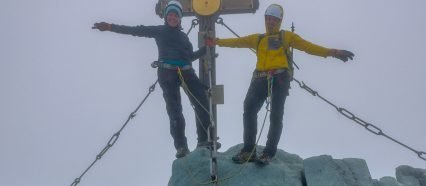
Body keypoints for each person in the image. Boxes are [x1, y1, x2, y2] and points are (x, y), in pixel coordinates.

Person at [212, 4, 354, 164]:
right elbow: (237, 42)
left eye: (274, 19)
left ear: (279, 21)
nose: (270, 22)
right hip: (260, 77)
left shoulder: (286, 36)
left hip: (280, 77)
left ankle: (268, 153)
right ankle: (248, 151)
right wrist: (216, 42)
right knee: (249, 108)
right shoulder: (258, 38)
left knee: (275, 115)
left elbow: (308, 47)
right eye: (268, 19)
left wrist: (332, 52)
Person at [93, 0, 214, 159]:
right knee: (175, 111)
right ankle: (181, 147)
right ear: (165, 17)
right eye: (169, 15)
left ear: (179, 18)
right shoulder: (160, 31)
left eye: (175, 15)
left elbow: (189, 57)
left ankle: (204, 141)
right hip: (167, 74)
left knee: (202, 103)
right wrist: (110, 27)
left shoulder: (184, 37)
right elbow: (135, 30)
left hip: (187, 71)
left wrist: (205, 50)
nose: (172, 17)